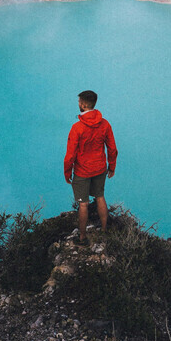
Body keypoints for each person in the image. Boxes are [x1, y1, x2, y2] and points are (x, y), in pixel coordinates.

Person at [64, 89, 118, 245]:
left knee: (83, 204)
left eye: (79, 101)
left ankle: (82, 237)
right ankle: (104, 230)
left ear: (83, 104)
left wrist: (67, 173)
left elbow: (70, 155)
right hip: (100, 168)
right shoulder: (105, 124)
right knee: (100, 196)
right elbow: (112, 148)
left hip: (82, 171)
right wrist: (112, 167)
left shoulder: (77, 128)